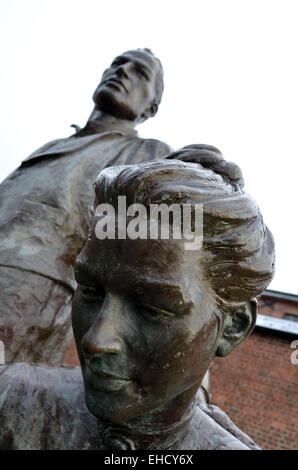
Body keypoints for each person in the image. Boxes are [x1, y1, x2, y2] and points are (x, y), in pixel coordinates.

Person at [0, 150, 275, 450]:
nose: (96, 340)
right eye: (91, 291)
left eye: (152, 309)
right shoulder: (13, 405)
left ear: (233, 326)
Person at [0, 48, 172, 364]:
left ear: (151, 107)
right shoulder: (52, 146)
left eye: (140, 72)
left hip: (29, 295)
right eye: (118, 63)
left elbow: (164, 254)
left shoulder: (148, 154)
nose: (122, 71)